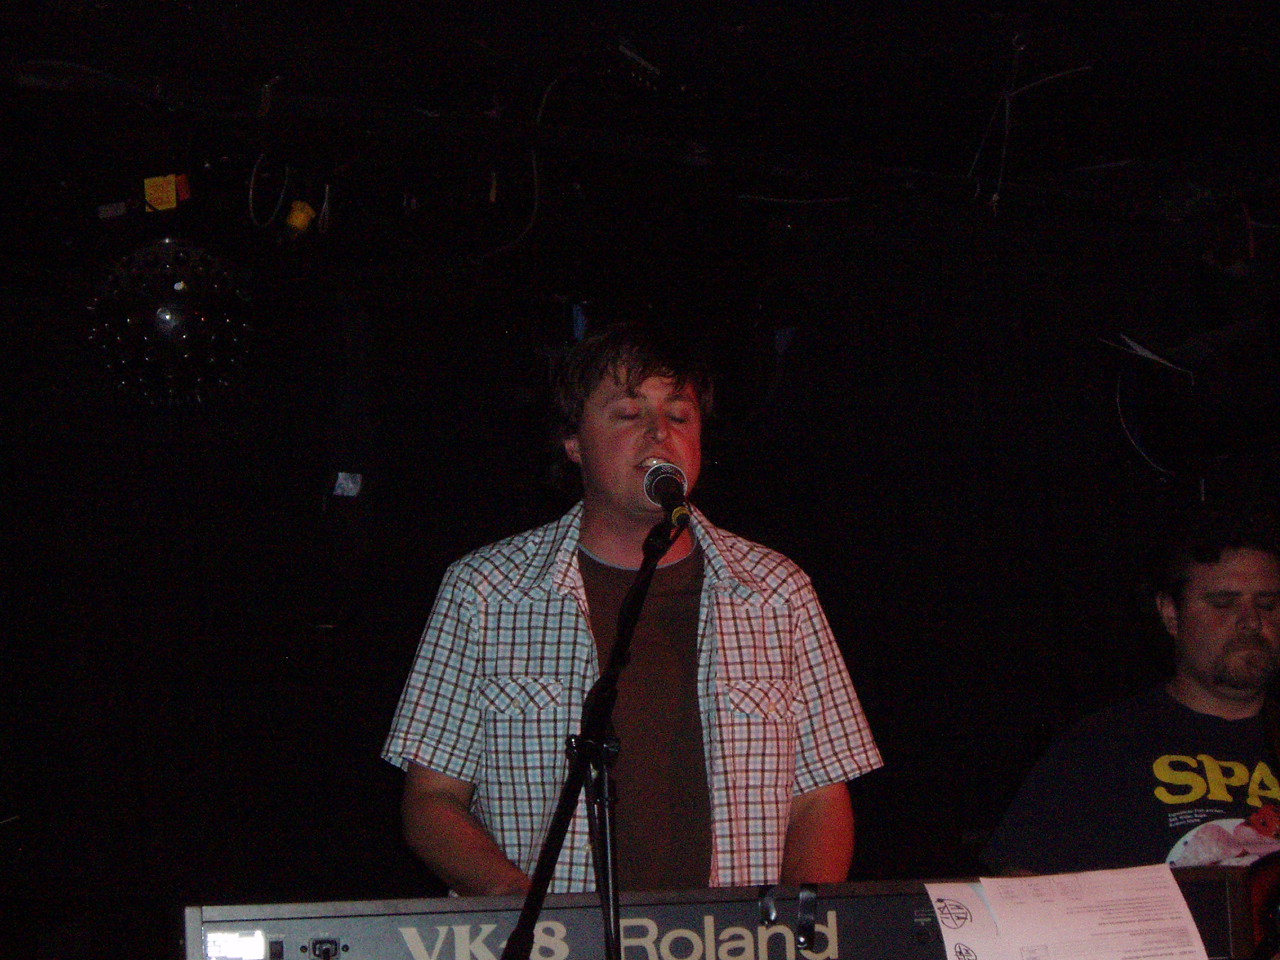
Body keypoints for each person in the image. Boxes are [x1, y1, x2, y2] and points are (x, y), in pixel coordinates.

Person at [382, 323, 882, 895]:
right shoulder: (485, 590)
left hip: (729, 935)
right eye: (628, 413)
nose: (660, 432)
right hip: (556, 935)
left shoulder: (777, 591)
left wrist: (793, 929)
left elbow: (821, 798)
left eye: (680, 415)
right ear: (573, 442)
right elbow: (433, 800)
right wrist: (527, 911)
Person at [983, 506, 1280, 875]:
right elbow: (1022, 887)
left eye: (1267, 604)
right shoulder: (1102, 748)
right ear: (1170, 613)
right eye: (1223, 603)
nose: (1252, 621)